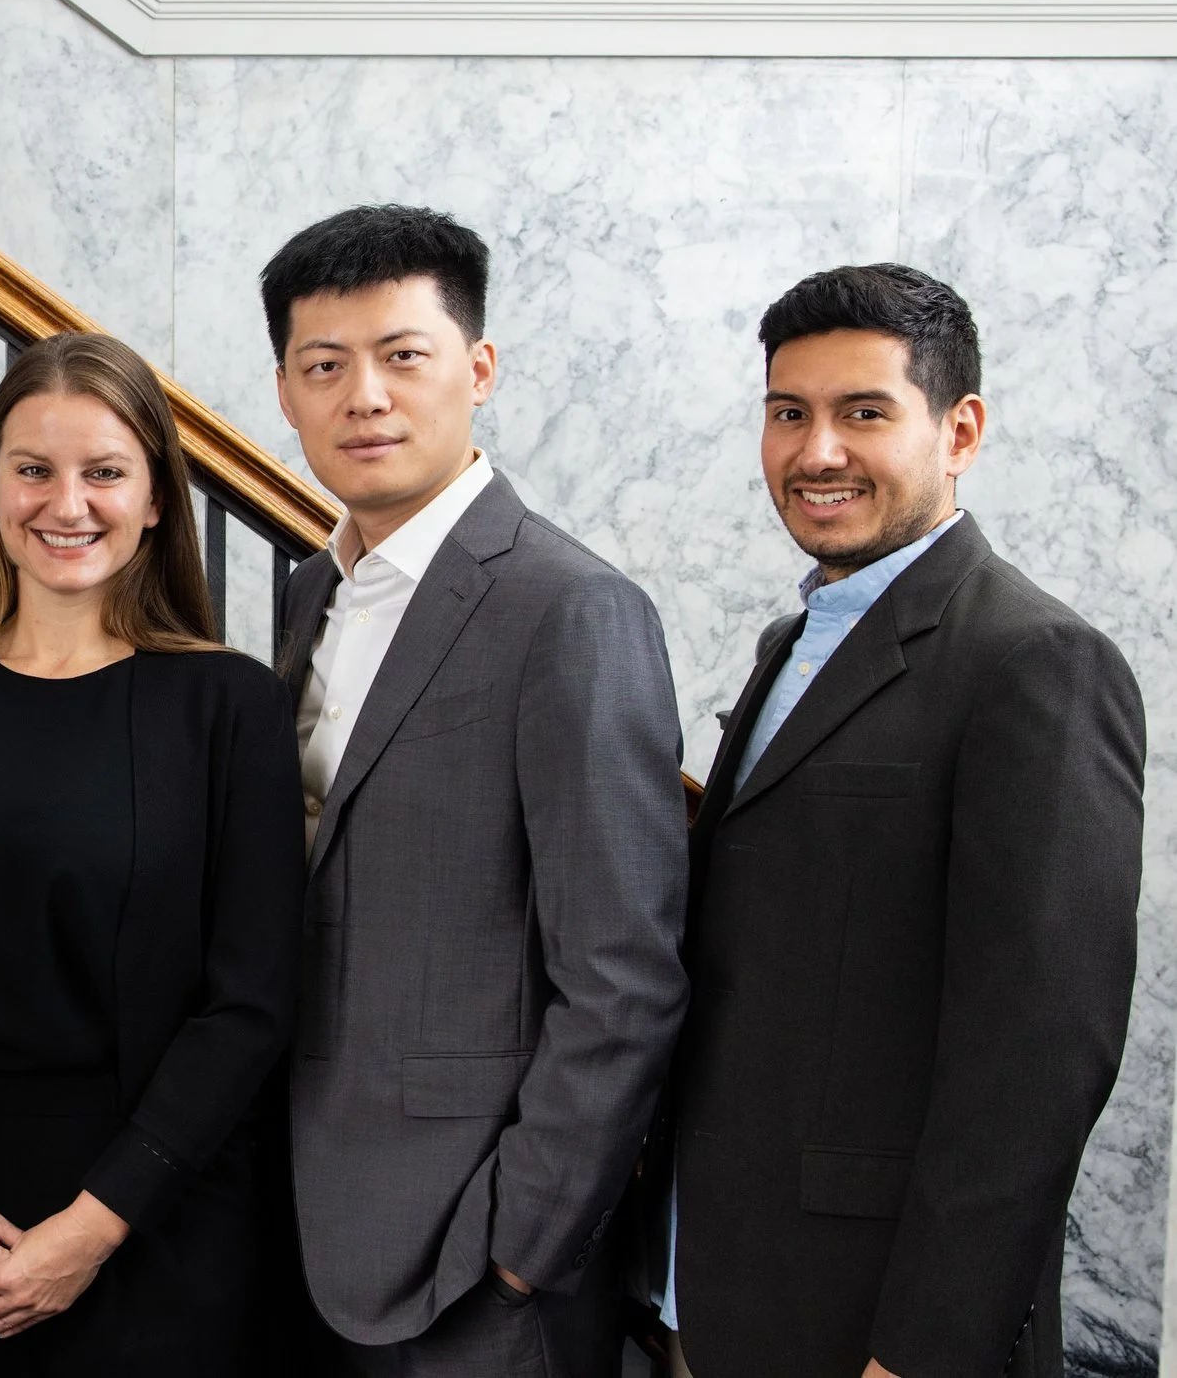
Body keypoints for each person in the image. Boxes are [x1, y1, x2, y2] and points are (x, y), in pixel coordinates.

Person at [642, 265, 1143, 1378]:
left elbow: (1038, 1063)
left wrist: (924, 1351)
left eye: (863, 412)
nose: (816, 450)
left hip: (869, 1321)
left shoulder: (1036, 662)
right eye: (788, 413)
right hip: (711, 1287)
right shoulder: (791, 641)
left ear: (958, 429)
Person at [0, 331, 304, 1376]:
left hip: (155, 1225)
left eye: (104, 472)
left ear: (156, 498)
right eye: (34, 470)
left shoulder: (227, 705)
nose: (67, 503)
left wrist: (92, 1226)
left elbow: (250, 1004)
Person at [267, 205, 689, 1375]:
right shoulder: (309, 593)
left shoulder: (571, 609)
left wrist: (517, 1246)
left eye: (403, 355)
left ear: (479, 369)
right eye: (324, 365)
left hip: (476, 1266)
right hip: (305, 1232)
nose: (365, 395)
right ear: (287, 392)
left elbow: (624, 976)